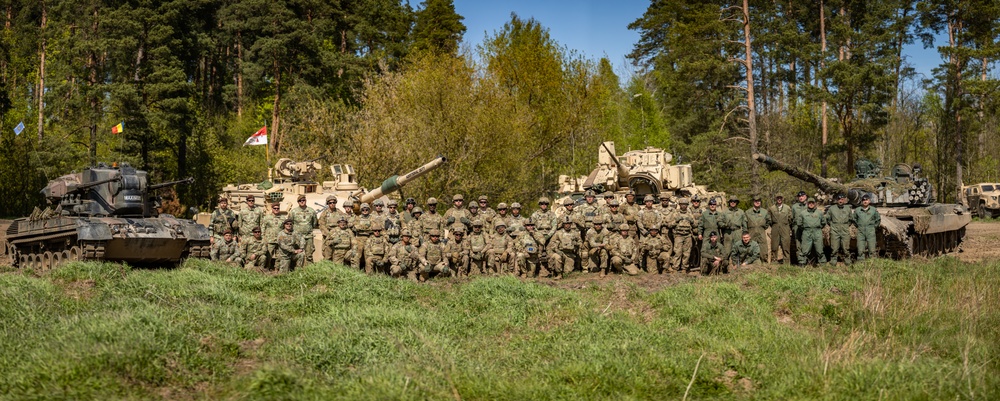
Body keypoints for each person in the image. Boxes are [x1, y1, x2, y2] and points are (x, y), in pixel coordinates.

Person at [667, 197, 698, 273]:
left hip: (687, 235)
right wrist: (676, 221)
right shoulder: (675, 213)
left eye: (685, 204)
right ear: (679, 205)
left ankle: (684, 268)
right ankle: (675, 268)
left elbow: (695, 225)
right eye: (682, 204)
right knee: (677, 252)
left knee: (686, 253)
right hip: (678, 235)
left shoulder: (690, 214)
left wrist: (692, 221)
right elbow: (669, 225)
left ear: (687, 205)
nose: (683, 206)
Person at [795, 197, 827, 265]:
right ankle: (802, 263)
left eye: (812, 203)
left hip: (817, 232)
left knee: (819, 249)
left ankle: (822, 263)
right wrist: (806, 228)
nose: (811, 204)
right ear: (807, 204)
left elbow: (823, 222)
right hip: (807, 232)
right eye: (810, 203)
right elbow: (799, 223)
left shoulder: (819, 213)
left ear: (815, 204)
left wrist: (818, 227)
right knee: (804, 249)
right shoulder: (803, 213)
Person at [288, 194, 318, 264]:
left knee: (309, 254)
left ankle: (310, 269)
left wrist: (308, 228)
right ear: (298, 202)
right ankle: (297, 268)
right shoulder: (293, 211)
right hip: (297, 237)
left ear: (306, 201)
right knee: (297, 254)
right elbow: (290, 223)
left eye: (303, 200)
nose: (302, 202)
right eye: (300, 200)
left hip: (308, 236)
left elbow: (314, 223)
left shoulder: (311, 211)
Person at [826, 193, 855, 265]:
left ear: (844, 200)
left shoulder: (848, 208)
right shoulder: (832, 208)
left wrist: (846, 225)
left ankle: (847, 260)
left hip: (845, 229)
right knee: (834, 247)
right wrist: (832, 225)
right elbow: (828, 219)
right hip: (835, 229)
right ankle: (833, 261)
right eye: (839, 199)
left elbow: (851, 219)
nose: (840, 201)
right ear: (837, 200)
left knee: (846, 247)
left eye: (842, 199)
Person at [767, 195, 794, 264]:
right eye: (778, 198)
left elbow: (790, 219)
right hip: (775, 228)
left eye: (780, 198)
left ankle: (786, 263)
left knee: (786, 246)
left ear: (782, 199)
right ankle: (774, 262)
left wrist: (785, 225)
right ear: (776, 199)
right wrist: (774, 225)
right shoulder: (771, 208)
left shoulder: (787, 208)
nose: (779, 199)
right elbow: (769, 219)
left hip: (785, 228)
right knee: (774, 247)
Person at [318, 195, 346, 260]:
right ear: (328, 204)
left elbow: (344, 221)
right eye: (330, 203)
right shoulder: (325, 213)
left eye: (334, 202)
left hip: (338, 235)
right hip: (328, 236)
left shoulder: (339, 212)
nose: (332, 204)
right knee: (327, 254)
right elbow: (321, 225)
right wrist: (329, 234)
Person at [854, 194, 881, 261]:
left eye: (866, 200)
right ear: (861, 201)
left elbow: (878, 219)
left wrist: (873, 227)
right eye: (863, 200)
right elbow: (854, 219)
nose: (865, 201)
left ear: (869, 201)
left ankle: (872, 264)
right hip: (861, 231)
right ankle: (861, 264)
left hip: (870, 231)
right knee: (860, 249)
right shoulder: (857, 210)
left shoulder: (873, 210)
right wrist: (859, 226)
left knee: (872, 249)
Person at [745, 195, 771, 261]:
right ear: (753, 202)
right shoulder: (748, 212)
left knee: (763, 250)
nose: (757, 202)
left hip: (761, 232)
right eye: (756, 201)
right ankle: (751, 265)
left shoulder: (765, 212)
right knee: (750, 249)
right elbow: (744, 223)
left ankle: (764, 264)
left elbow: (768, 221)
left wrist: (763, 227)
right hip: (751, 233)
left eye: (759, 201)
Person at [260, 203, 285, 269]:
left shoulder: (283, 218)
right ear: (272, 209)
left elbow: (284, 229)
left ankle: (277, 268)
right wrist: (263, 238)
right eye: (275, 208)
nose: (276, 209)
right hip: (269, 239)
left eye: (278, 208)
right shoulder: (267, 217)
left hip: (279, 240)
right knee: (268, 255)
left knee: (279, 255)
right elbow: (263, 228)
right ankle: (267, 267)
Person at [351, 203, 375, 270]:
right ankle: (355, 273)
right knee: (356, 257)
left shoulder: (372, 218)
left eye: (366, 209)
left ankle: (369, 274)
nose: (365, 210)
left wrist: (361, 228)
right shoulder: (357, 218)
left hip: (369, 240)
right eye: (363, 209)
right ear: (361, 210)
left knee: (369, 257)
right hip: (359, 239)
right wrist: (367, 228)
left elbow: (374, 228)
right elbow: (355, 228)